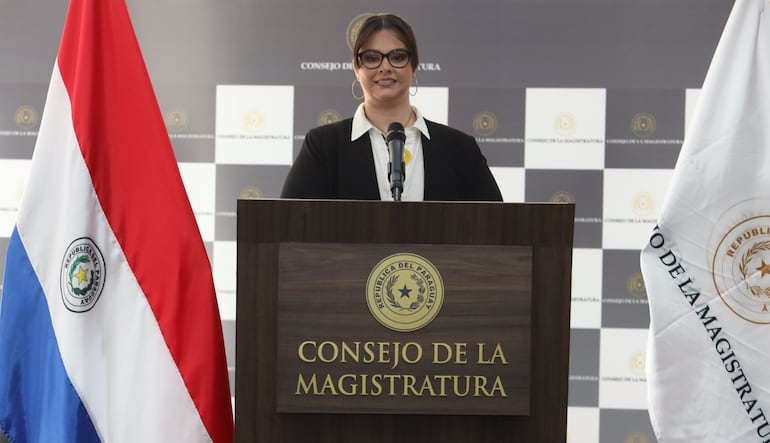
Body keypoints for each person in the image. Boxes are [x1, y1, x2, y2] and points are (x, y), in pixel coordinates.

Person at [280, 13, 502, 202]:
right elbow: (287, 228)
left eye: (397, 57)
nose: (385, 67)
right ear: (357, 69)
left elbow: (500, 232)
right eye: (371, 58)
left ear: (414, 67)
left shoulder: (460, 149)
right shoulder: (323, 147)